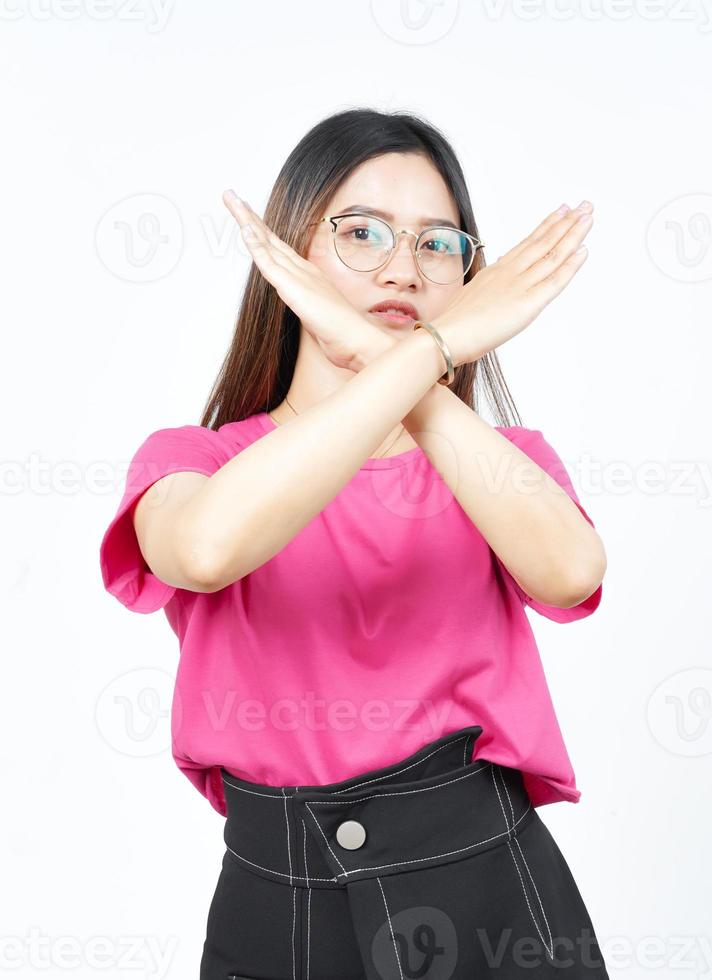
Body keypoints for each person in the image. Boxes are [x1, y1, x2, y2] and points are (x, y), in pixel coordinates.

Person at [99, 107, 609, 979]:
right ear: (292, 253)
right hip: (275, 904)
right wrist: (429, 351)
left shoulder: (501, 463)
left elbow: (571, 574)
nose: (402, 270)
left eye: (438, 243)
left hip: (491, 892)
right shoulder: (199, 460)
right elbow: (206, 549)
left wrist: (400, 358)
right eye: (362, 233)